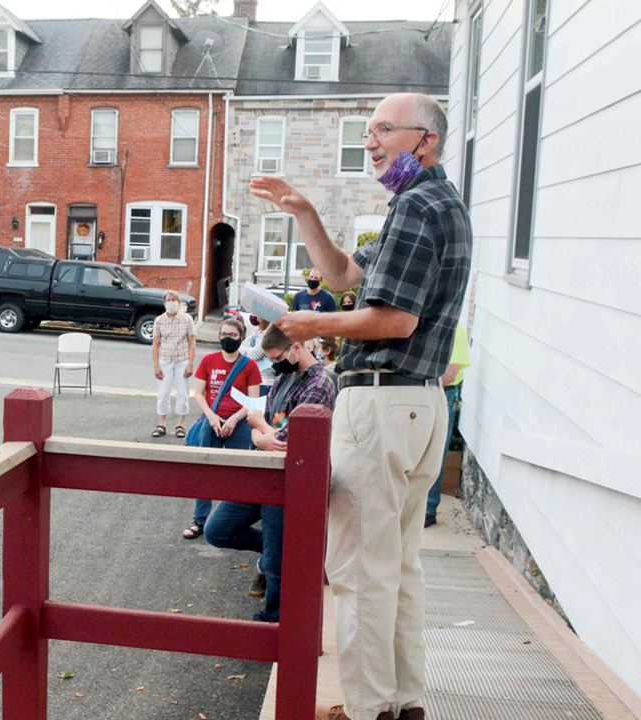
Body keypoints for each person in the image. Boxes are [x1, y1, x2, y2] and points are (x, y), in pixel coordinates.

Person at [251, 92, 469, 720]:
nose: (369, 142)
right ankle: (401, 703)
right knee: (397, 569)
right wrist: (304, 213)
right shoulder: (434, 203)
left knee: (354, 571)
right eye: (367, 130)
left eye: (381, 131)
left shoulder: (415, 208)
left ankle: (369, 707)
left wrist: (308, 325)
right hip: (420, 409)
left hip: (381, 406)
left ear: (422, 141)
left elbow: (394, 320)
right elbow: (346, 275)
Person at [206, 323, 337, 624]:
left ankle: (274, 620)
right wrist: (264, 433)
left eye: (277, 357)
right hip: (264, 471)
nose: (274, 364)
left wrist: (263, 432)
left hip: (290, 479)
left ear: (297, 347)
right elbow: (267, 427)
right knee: (218, 530)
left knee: (278, 565)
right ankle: (272, 548)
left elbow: (288, 440)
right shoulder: (283, 377)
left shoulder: (320, 384)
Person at [181, 318, 262, 540]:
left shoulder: (249, 365)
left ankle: (230, 520)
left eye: (233, 335)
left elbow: (253, 401)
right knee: (205, 472)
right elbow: (199, 393)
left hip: (239, 424)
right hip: (212, 423)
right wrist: (211, 416)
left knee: (238, 473)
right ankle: (200, 520)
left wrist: (235, 418)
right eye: (224, 334)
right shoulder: (208, 360)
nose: (227, 338)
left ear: (241, 338)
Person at [425, 322, 469, 528]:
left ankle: (428, 510)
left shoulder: (455, 330)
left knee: (436, 451)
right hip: (423, 392)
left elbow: (450, 373)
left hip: (443, 393)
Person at [151, 290, 196, 439]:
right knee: (163, 392)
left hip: (181, 359)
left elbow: (192, 343)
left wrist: (190, 363)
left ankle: (180, 424)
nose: (170, 303)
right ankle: (161, 424)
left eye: (173, 300)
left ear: (178, 302)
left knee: (182, 393)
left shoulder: (187, 319)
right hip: (165, 360)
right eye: (168, 300)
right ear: (164, 303)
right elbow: (156, 344)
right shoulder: (159, 320)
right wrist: (156, 365)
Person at [240, 314, 277, 397]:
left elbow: (254, 354)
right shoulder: (255, 331)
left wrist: (246, 349)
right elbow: (239, 350)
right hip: (250, 379)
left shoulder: (268, 333)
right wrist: (247, 349)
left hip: (264, 381)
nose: (254, 315)